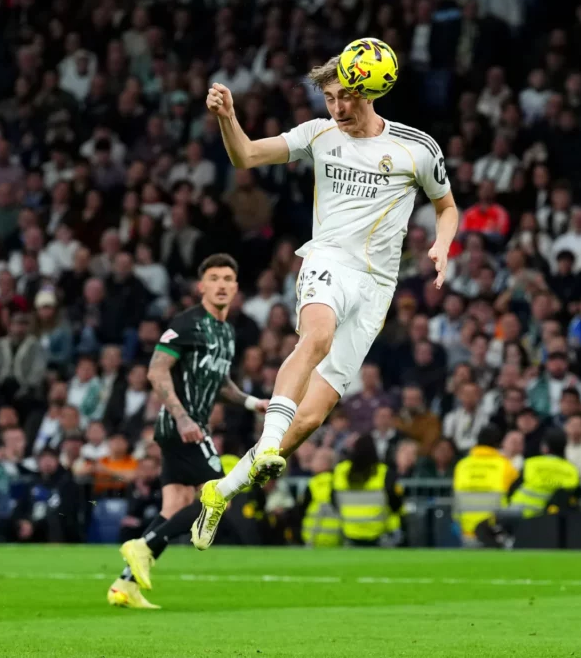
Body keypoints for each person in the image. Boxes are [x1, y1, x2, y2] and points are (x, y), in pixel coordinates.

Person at [192, 54, 459, 548]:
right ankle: (269, 443)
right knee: (316, 335)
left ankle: (222, 489)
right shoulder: (317, 134)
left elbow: (445, 207)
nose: (336, 106)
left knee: (312, 416)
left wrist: (443, 243)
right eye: (329, 97)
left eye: (346, 96)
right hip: (328, 261)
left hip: (378, 286)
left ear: (370, 91)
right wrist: (228, 118)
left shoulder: (416, 148)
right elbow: (246, 156)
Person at [108, 254, 270, 610]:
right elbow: (156, 370)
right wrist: (182, 418)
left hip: (192, 426)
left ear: (237, 287)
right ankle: (143, 547)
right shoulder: (187, 322)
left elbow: (219, 381)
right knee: (217, 498)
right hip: (183, 426)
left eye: (229, 278)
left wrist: (250, 403)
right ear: (201, 287)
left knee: (175, 506)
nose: (222, 284)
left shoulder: (226, 331)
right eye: (214, 278)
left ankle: (125, 585)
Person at [451, 425, 519, 545]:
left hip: (466, 533)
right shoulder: (505, 466)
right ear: (499, 444)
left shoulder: (462, 465)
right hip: (492, 532)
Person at [330, 435, 402, 546]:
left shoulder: (340, 471)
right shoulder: (383, 472)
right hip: (378, 532)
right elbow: (396, 503)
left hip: (349, 531)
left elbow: (333, 500)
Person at [509, 430, 581, 516]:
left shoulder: (531, 463)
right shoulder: (571, 469)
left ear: (545, 447)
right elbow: (575, 495)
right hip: (551, 520)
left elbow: (512, 489)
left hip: (520, 514)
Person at [298, 448, 340, 547]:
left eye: (315, 458)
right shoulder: (338, 483)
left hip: (313, 537)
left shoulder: (313, 484)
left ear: (325, 463)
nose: (312, 462)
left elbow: (301, 510)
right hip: (336, 536)